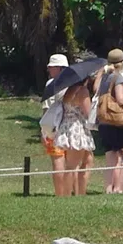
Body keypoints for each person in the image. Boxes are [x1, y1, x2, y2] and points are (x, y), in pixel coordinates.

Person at [96, 65, 123, 193]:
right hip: (116, 123)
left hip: (104, 123)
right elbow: (121, 100)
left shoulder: (105, 79)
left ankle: (108, 189)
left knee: (111, 159)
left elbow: (95, 90)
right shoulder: (118, 78)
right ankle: (119, 188)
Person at [54, 80, 95, 196]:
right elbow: (89, 113)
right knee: (72, 165)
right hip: (77, 128)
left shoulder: (69, 90)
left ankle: (80, 192)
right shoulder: (82, 91)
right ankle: (67, 195)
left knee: (88, 160)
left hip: (68, 126)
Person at [40, 53, 70, 195]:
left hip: (54, 126)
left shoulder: (51, 84)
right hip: (70, 126)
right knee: (70, 162)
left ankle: (60, 193)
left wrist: (43, 131)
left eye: (51, 67)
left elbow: (46, 108)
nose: (49, 70)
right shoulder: (73, 84)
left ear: (59, 68)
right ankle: (69, 191)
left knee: (57, 160)